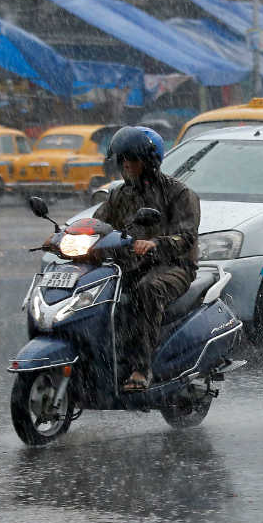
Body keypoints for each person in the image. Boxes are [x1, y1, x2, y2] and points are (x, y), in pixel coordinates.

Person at [93, 126, 201, 392]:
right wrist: (64, 235)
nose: (126, 164)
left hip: (173, 267)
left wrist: (155, 244)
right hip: (129, 265)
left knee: (147, 290)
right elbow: (97, 223)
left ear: (150, 161)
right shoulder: (120, 194)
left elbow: (186, 237)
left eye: (133, 158)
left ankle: (142, 368)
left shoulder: (179, 194)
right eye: (122, 159)